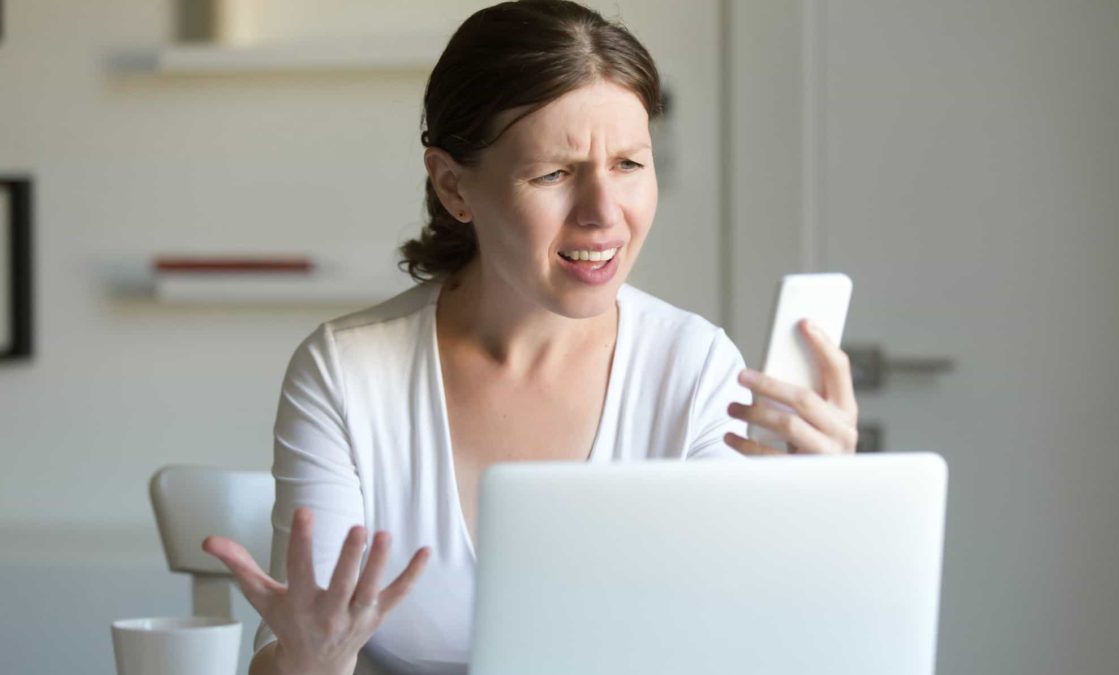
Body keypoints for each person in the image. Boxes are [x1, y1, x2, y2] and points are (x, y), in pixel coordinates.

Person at [202, 1, 859, 674]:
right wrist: (315, 657)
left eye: (630, 163)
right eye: (554, 173)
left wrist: (815, 532)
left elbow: (732, 643)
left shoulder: (694, 371)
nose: (605, 213)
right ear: (454, 185)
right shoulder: (347, 373)